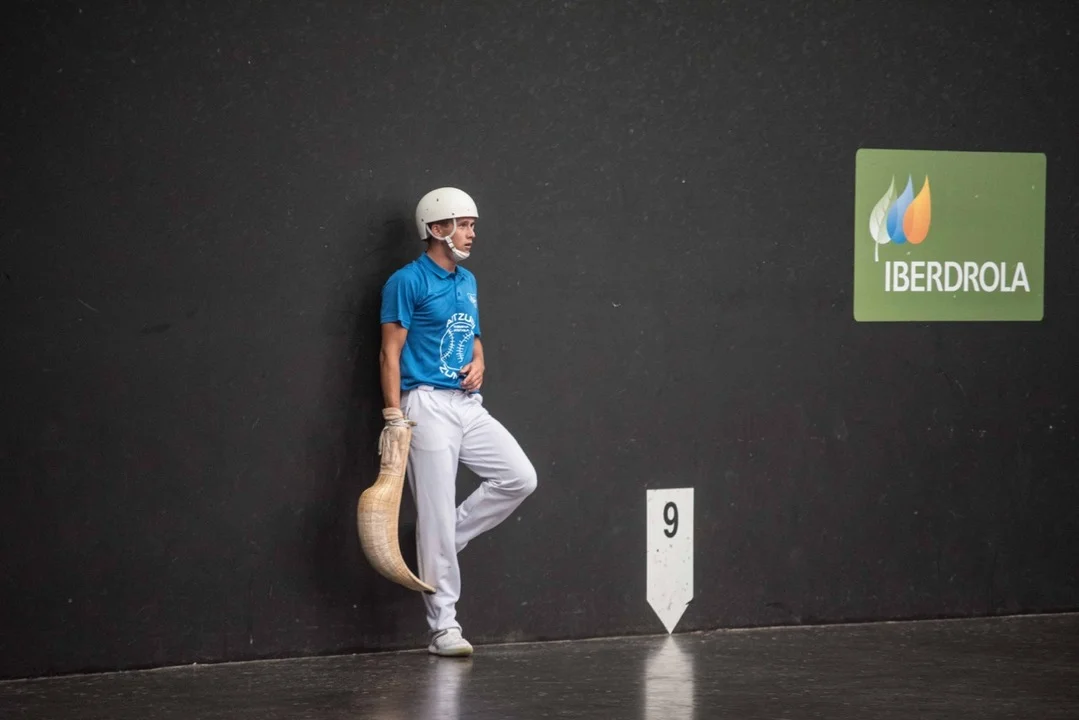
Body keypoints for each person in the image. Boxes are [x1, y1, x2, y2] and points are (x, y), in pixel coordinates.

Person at [378, 187, 538, 657]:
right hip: (424, 405)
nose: (472, 233)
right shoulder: (406, 281)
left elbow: (472, 335)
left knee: (519, 477)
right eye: (464, 224)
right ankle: (443, 627)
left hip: (467, 404)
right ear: (437, 228)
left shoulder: (467, 280)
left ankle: (447, 537)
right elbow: (389, 352)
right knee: (434, 512)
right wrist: (393, 416)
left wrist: (480, 360)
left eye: (472, 225)